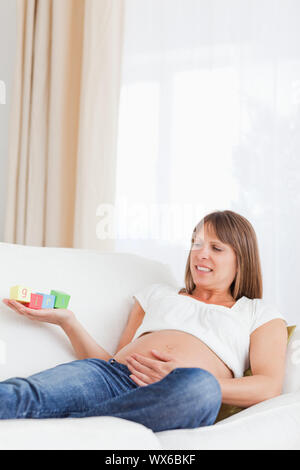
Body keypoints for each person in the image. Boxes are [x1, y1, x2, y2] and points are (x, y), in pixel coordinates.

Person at [0, 210, 287, 432]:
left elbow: (269, 386)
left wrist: (184, 380)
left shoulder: (258, 313)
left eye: (216, 248)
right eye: (196, 243)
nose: (200, 253)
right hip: (112, 378)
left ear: (242, 258)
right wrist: (68, 321)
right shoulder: (156, 294)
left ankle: (75, 427)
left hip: (180, 393)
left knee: (199, 387)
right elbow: (110, 360)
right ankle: (84, 429)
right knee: (24, 393)